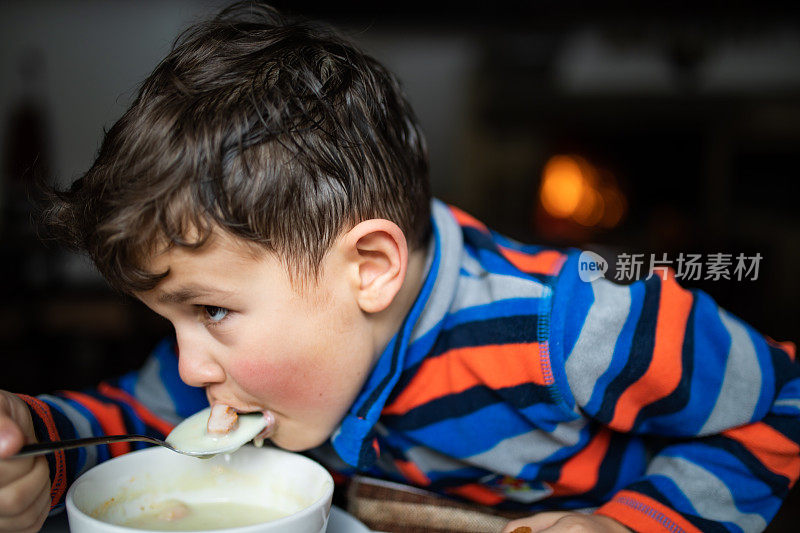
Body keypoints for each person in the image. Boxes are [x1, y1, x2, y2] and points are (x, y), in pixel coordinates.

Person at [0, 3, 798, 532]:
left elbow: (785, 404)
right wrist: (33, 438)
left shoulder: (580, 328)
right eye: (167, 320)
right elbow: (130, 427)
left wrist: (631, 523)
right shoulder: (236, 375)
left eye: (209, 310)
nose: (186, 362)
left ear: (370, 266)